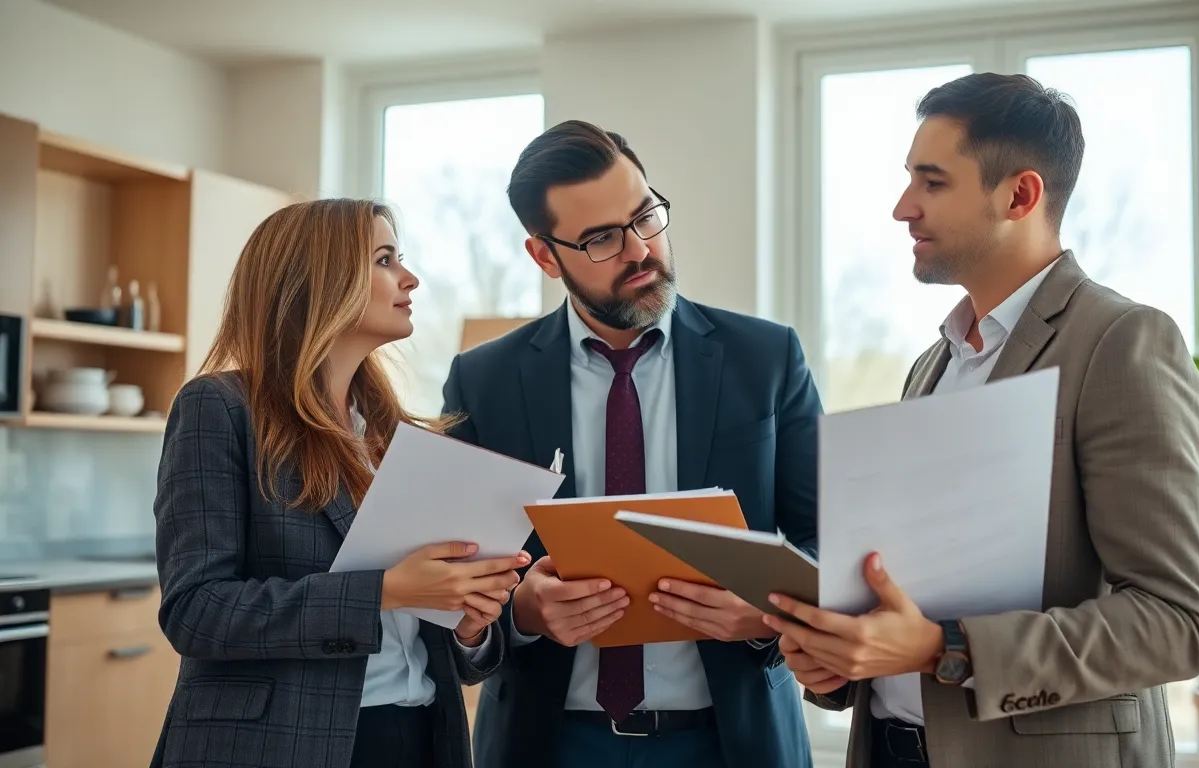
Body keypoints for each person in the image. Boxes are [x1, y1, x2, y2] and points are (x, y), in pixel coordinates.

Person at [766, 73, 1199, 768]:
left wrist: (943, 648)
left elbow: (1176, 623)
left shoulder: (1121, 342)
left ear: (1020, 196)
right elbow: (917, 593)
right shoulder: (933, 364)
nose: (902, 208)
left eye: (932, 182)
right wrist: (841, 660)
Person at [440, 120, 821, 768]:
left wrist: (765, 610)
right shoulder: (484, 380)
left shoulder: (766, 359)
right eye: (602, 239)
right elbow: (454, 577)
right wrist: (523, 612)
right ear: (545, 256)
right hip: (549, 744)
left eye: (646, 216)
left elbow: (827, 540)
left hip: (732, 742)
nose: (641, 250)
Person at [151, 199, 529, 768]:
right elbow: (196, 610)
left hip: (420, 735)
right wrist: (385, 590)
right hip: (279, 747)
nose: (409, 278)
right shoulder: (220, 407)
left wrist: (468, 624)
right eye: (385, 260)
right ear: (319, 281)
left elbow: (430, 640)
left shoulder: (390, 433)